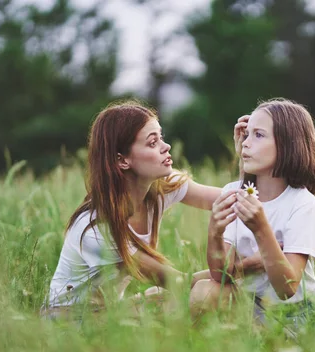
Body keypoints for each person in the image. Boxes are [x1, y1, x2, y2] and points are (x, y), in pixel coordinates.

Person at [43, 100, 244, 319]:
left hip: (111, 312)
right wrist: (245, 268)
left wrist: (245, 158)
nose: (165, 147)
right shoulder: (98, 228)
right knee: (198, 297)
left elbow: (238, 200)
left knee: (164, 296)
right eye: (152, 142)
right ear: (122, 160)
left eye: (162, 137)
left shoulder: (163, 187)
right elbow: (178, 282)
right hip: (73, 321)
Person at [189, 98, 315, 329]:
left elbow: (287, 289)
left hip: (294, 316)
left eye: (259, 135)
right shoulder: (234, 193)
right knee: (205, 291)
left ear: (287, 145)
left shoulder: (302, 204)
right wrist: (214, 231)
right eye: (246, 134)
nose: (245, 143)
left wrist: (261, 229)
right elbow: (220, 275)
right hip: (251, 305)